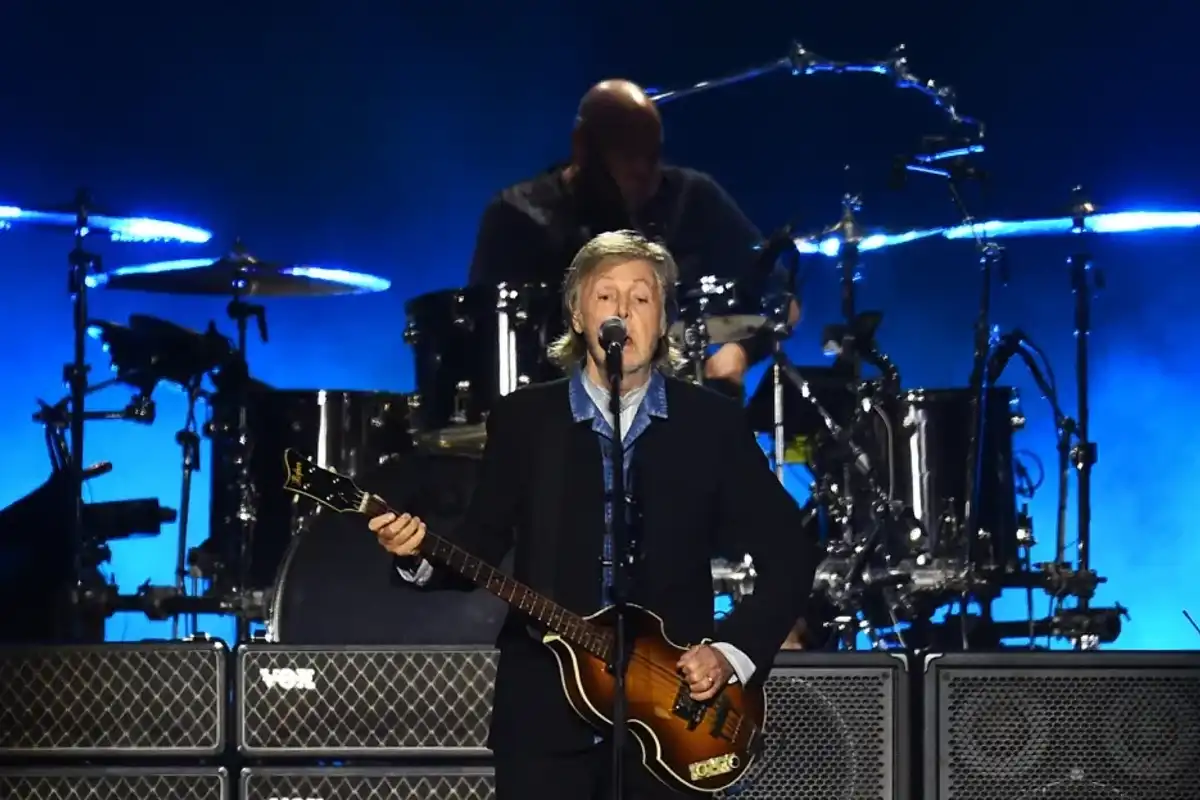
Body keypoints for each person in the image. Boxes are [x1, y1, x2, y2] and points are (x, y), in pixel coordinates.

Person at [371, 230, 817, 799]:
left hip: (676, 710)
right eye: (605, 297)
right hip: (544, 714)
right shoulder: (526, 419)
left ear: (663, 320)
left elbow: (789, 553)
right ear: (579, 317)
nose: (622, 311)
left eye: (641, 297)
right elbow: (480, 542)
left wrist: (731, 654)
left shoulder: (713, 424)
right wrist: (420, 556)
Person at [467, 78, 794, 395]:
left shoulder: (692, 198)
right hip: (552, 427)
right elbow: (482, 336)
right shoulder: (518, 215)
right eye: (628, 155)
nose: (644, 172)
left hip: (673, 428)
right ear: (582, 147)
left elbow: (782, 296)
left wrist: (738, 353)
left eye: (651, 155)